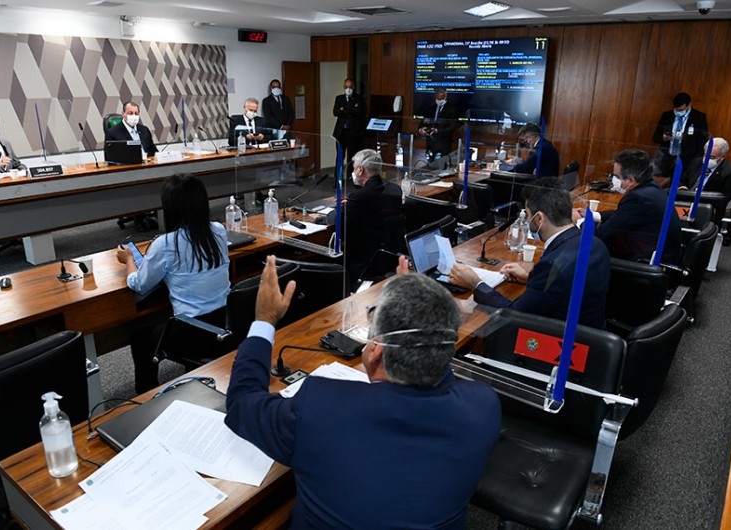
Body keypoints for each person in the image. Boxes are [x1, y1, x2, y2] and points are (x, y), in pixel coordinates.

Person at [226, 256, 501, 529]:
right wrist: (419, 313)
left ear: (376, 352)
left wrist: (264, 319)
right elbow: (441, 371)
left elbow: (243, 403)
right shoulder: (483, 406)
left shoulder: (320, 406)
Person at [116, 174, 230, 394]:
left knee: (140, 339)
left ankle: (147, 397)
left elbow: (139, 285)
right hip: (226, 323)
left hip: (192, 333)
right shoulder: (218, 230)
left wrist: (130, 259)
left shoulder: (166, 244)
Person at [452, 179, 610, 329]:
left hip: (562, 345)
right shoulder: (595, 243)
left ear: (539, 218)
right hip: (590, 333)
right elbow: (565, 287)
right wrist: (531, 277)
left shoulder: (552, 265)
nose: (527, 219)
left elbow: (513, 314)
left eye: (528, 215)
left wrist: (475, 283)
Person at [584, 149, 682, 265]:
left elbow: (602, 234)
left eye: (616, 176)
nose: (613, 180)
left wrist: (579, 223)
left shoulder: (638, 198)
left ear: (631, 180)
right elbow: (622, 214)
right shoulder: (651, 187)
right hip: (663, 256)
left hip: (646, 266)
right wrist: (592, 215)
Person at [344, 149, 404, 287]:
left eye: (353, 169)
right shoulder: (395, 189)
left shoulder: (359, 197)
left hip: (364, 260)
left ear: (360, 170)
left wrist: (342, 208)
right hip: (389, 256)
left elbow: (339, 222)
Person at [652, 92, 709, 179]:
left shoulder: (699, 117)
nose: (678, 112)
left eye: (681, 110)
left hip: (685, 160)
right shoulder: (667, 116)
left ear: (689, 104)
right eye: (676, 109)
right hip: (666, 158)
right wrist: (664, 137)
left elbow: (702, 141)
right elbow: (656, 137)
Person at [332, 78, 366, 176]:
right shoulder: (339, 98)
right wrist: (351, 110)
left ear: (354, 87)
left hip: (353, 133)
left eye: (350, 87)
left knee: (354, 157)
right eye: (346, 87)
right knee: (339, 157)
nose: (348, 89)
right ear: (343, 87)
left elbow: (359, 112)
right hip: (341, 133)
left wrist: (344, 110)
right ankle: (337, 179)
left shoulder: (359, 99)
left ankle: (354, 178)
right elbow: (336, 112)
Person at [418, 87, 458, 161]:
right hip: (430, 146)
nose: (439, 101)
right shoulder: (430, 109)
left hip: (443, 146)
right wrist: (421, 130)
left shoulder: (452, 110)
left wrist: (437, 130)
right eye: (438, 99)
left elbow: (452, 127)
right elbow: (422, 123)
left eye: (441, 99)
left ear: (445, 96)